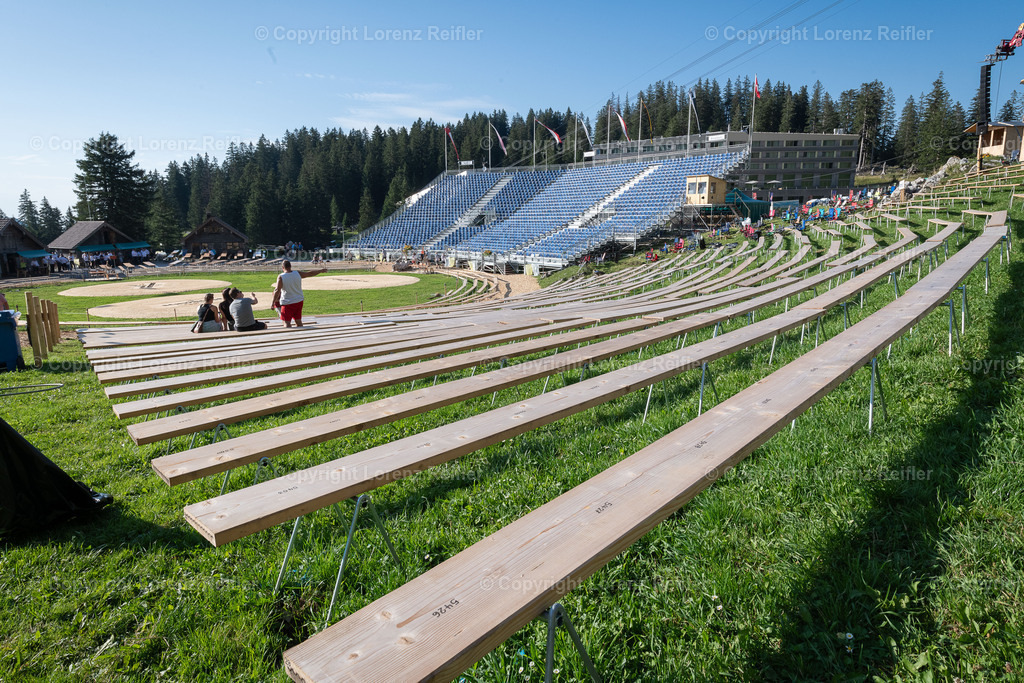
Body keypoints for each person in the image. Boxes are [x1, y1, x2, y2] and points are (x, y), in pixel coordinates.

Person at [272, 260, 326, 328]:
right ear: (290, 266)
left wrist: (273, 303)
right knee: (298, 322)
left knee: (287, 324)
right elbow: (309, 273)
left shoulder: (281, 277)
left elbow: (277, 290)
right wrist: (320, 271)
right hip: (299, 301)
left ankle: (289, 336)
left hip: (287, 302)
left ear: (283, 267)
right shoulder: (297, 273)